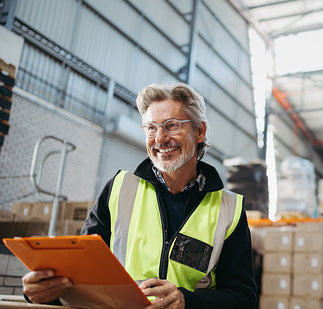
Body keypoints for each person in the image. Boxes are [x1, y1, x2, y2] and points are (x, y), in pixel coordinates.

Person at [22, 82, 257, 309]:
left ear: (200, 131)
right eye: (151, 128)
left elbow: (243, 298)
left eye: (172, 125)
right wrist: (45, 292)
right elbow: (81, 275)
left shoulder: (229, 209)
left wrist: (187, 301)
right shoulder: (120, 188)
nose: (160, 138)